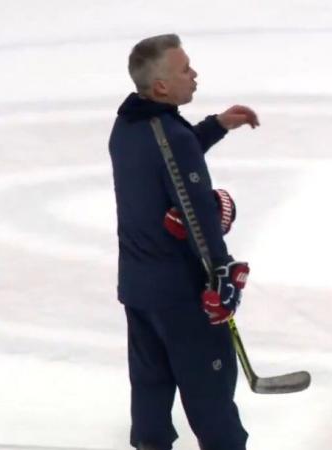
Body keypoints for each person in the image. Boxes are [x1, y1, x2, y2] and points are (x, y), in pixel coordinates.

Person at [108, 33, 260, 450]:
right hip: (181, 296)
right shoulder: (170, 137)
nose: (195, 76)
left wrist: (216, 126)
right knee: (211, 397)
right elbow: (196, 214)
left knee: (151, 388)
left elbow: (169, 161)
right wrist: (223, 274)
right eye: (185, 70)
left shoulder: (127, 125)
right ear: (160, 86)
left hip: (138, 289)